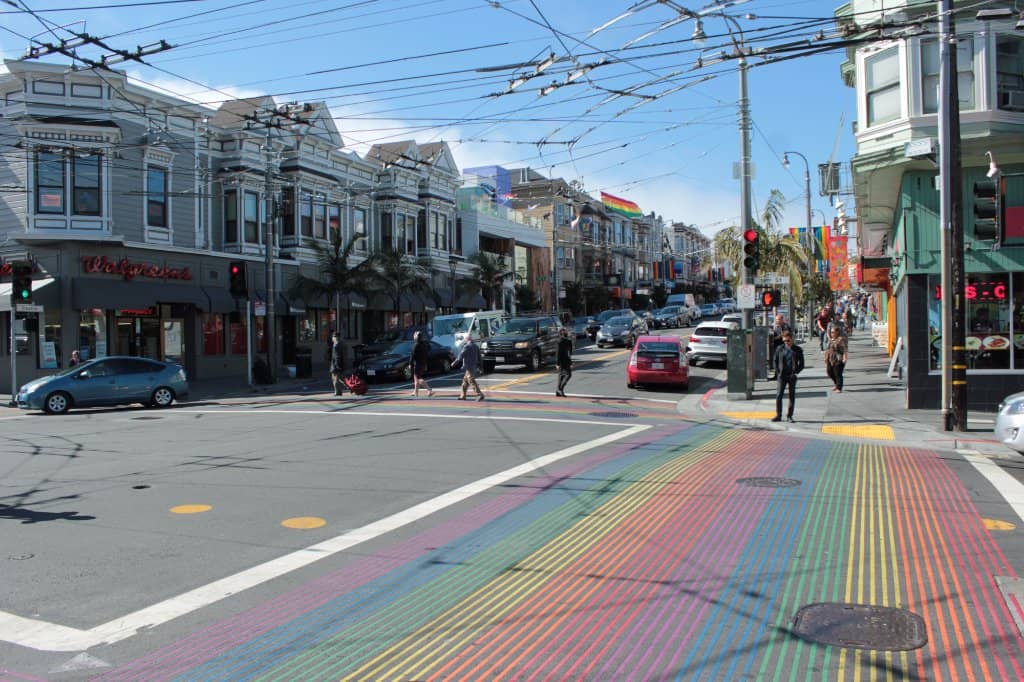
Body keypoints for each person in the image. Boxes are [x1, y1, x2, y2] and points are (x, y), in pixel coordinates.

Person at [771, 330, 804, 423]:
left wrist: (796, 372)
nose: (786, 342)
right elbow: (775, 361)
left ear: (792, 339)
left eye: (788, 340)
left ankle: (789, 416)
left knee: (791, 395)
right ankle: (778, 415)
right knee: (779, 395)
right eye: (784, 340)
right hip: (782, 375)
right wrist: (777, 372)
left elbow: (802, 364)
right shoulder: (779, 348)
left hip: (792, 375)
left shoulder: (797, 349)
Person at [454, 334, 485, 401]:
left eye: (465, 339)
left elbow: (461, 355)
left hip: (468, 367)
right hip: (473, 366)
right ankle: (463, 396)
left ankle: (480, 395)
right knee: (465, 382)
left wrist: (454, 362)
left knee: (471, 381)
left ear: (467, 339)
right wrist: (481, 367)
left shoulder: (467, 346)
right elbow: (480, 358)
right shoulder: (476, 346)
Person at [824, 325, 848, 393]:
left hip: (838, 358)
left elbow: (845, 349)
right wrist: (825, 357)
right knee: (829, 372)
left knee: (837, 373)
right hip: (830, 358)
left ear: (837, 332)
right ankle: (836, 384)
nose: (831, 333)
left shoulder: (841, 340)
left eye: (833, 332)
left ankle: (839, 387)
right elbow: (827, 349)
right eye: (831, 332)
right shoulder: (830, 340)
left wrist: (845, 358)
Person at [410, 331, 434, 398]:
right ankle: (415, 392)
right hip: (423, 363)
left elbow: (412, 355)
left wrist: (410, 363)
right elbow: (429, 349)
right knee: (416, 378)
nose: (413, 336)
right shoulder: (424, 344)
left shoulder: (416, 345)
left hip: (417, 363)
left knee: (418, 378)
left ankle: (429, 389)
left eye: (415, 335)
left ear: (416, 337)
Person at [768, 313, 791, 379]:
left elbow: (786, 334)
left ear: (782, 319)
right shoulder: (777, 327)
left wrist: (777, 337)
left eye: (778, 319)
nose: (777, 321)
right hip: (777, 346)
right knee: (776, 360)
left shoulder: (786, 326)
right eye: (776, 319)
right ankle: (777, 375)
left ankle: (782, 375)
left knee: (782, 361)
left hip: (783, 346)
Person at [555, 328, 573, 397]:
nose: (567, 332)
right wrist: (557, 363)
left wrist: (570, 361)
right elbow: (558, 353)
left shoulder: (568, 341)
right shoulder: (560, 341)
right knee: (568, 375)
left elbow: (569, 353)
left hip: (566, 360)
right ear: (562, 333)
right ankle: (560, 389)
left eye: (566, 331)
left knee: (561, 376)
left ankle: (558, 391)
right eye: (565, 331)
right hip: (562, 361)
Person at [329, 332, 347, 396]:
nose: (332, 338)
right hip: (340, 363)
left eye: (333, 337)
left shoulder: (336, 345)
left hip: (336, 364)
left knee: (335, 378)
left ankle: (337, 391)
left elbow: (337, 356)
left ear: (335, 337)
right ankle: (344, 389)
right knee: (340, 378)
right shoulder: (341, 344)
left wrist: (336, 365)